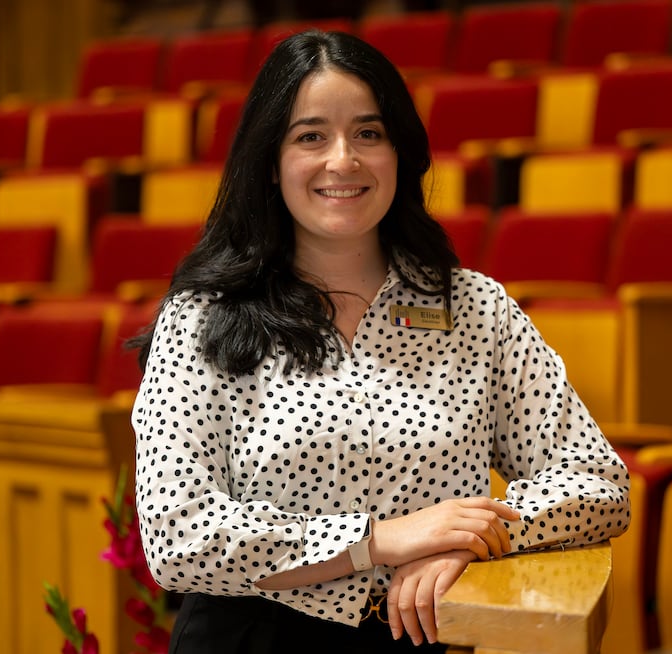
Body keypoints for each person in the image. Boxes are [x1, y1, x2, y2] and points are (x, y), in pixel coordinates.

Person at [131, 29, 630, 654]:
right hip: (251, 638)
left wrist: (474, 536)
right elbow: (179, 539)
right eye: (311, 135)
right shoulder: (203, 317)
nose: (344, 160)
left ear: (401, 151)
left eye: (369, 133)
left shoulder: (475, 307)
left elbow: (598, 483)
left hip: (428, 634)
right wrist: (380, 539)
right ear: (270, 158)